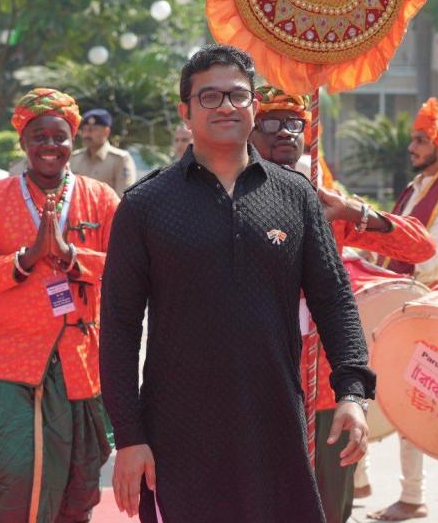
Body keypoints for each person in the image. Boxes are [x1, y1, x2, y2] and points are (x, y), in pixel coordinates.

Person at [100, 45, 374, 522]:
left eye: (236, 95)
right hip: (178, 430)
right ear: (185, 110)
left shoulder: (295, 195)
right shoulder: (145, 204)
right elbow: (120, 327)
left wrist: (352, 393)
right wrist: (129, 436)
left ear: (253, 107)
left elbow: (334, 299)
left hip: (274, 422)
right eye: (209, 97)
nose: (225, 106)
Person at [251, 86, 436, 523]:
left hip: (325, 385)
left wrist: (356, 213)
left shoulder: (326, 198)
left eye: (295, 124)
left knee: (329, 507)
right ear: (249, 132)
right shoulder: (228, 193)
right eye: (271, 123)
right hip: (256, 382)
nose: (285, 133)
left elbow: (421, 248)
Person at [0, 88, 118, 522]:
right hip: (10, 367)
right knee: (8, 482)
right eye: (39, 136)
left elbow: (130, 271)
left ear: (74, 139)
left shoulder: (100, 198)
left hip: (81, 366)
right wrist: (24, 260)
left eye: (59, 137)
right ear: (23, 143)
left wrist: (71, 257)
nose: (50, 146)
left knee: (77, 490)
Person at [367, 98, 438, 522]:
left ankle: (413, 496)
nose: (411, 147)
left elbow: (435, 261)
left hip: (422, 304)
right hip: (395, 298)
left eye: (420, 140)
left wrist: (391, 250)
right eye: (412, 138)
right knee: (365, 387)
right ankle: (359, 479)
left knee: (411, 400)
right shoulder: (414, 188)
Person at [69, 109, 137, 195]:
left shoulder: (120, 159)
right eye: (84, 130)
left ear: (106, 131)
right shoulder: (75, 158)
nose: (86, 135)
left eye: (92, 130)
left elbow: (124, 197)